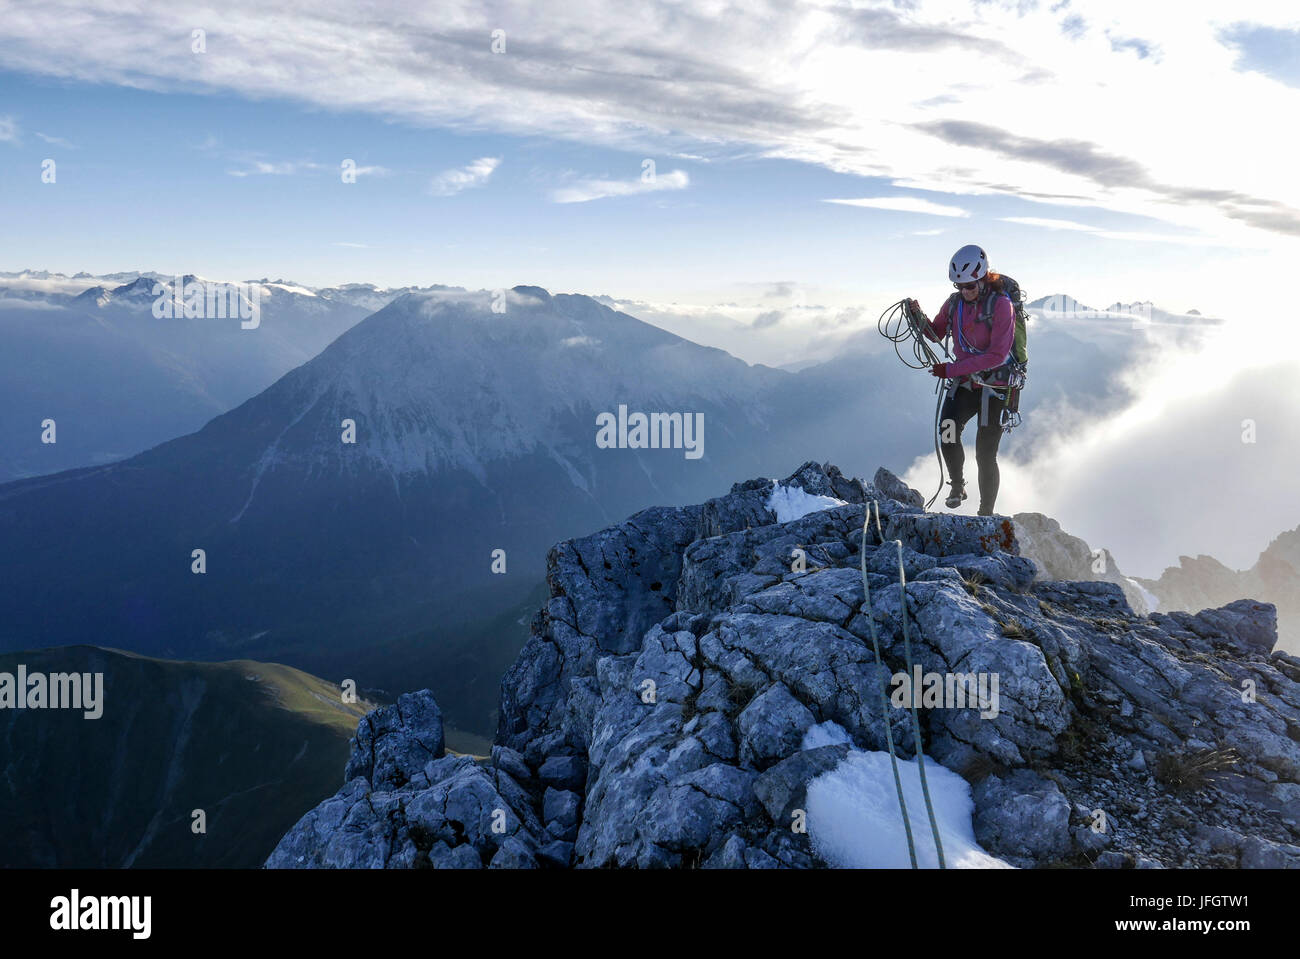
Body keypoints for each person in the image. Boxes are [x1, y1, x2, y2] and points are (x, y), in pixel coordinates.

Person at [919, 244, 1016, 516]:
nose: (965, 291)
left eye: (970, 285)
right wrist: (918, 318)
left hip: (993, 387)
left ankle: (985, 514)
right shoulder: (954, 305)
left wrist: (950, 370)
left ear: (983, 278)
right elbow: (936, 333)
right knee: (947, 432)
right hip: (965, 384)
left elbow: (998, 355)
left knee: (985, 455)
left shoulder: (1002, 306)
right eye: (959, 286)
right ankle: (957, 485)